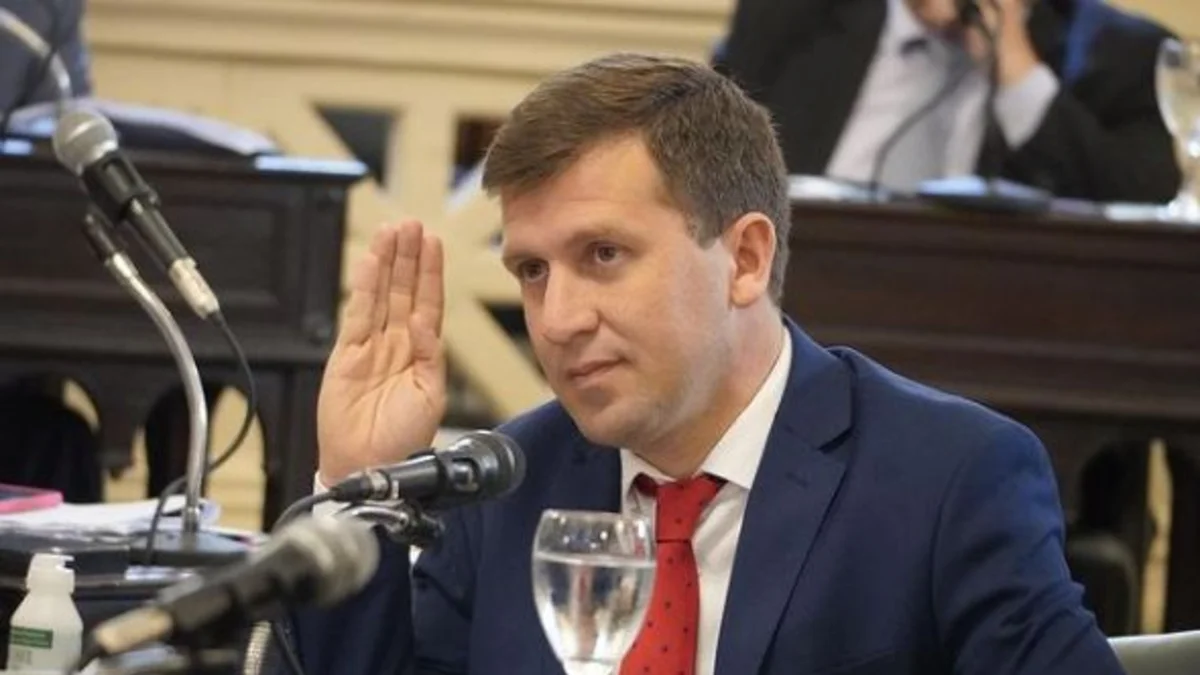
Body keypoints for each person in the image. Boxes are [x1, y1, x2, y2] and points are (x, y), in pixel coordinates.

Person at [283, 53, 1124, 675]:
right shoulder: (503, 489)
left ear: (745, 259)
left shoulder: (948, 479)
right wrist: (361, 486)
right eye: (533, 270)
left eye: (604, 254)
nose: (559, 319)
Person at [716, 0, 1180, 202]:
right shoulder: (791, 17)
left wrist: (1014, 66)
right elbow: (710, 172)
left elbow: (1140, 211)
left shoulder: (1116, 54)